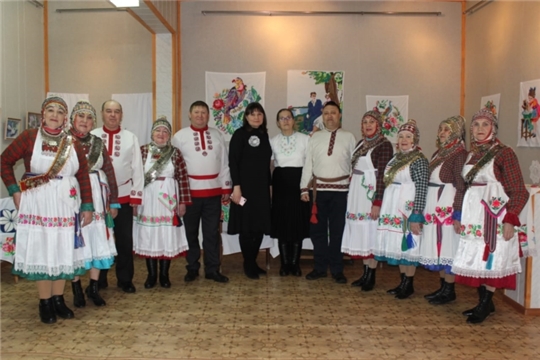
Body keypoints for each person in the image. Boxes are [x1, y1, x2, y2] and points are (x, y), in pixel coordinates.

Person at [1, 96, 94, 324]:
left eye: (60, 111)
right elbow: (4, 161)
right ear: (43, 114)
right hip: (38, 200)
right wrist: (15, 190)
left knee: (63, 249)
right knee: (43, 249)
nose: (55, 115)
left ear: (65, 117)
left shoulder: (72, 142)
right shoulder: (29, 137)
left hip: (66, 202)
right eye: (50, 110)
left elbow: (82, 174)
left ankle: (58, 299)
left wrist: (87, 205)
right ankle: (44, 302)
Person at [452, 109, 528, 324]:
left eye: (485, 124)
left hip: (494, 213)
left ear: (493, 128)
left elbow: (519, 190)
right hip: (472, 213)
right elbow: (463, 187)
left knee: (492, 256)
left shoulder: (504, 153)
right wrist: (458, 214)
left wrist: (510, 218)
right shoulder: (471, 154)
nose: (479, 129)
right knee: (477, 257)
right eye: (476, 125)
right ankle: (485, 302)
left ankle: (485, 304)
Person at [172, 101, 231, 283]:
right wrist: (178, 195)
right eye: (196, 112)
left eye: (203, 112)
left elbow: (224, 163)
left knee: (211, 233)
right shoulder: (179, 136)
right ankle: (192, 267)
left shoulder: (218, 135)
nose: (200, 115)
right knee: (190, 232)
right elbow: (175, 168)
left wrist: (226, 187)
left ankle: (213, 269)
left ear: (208, 115)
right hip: (190, 193)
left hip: (213, 192)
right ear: (190, 114)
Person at [68, 100, 119, 308]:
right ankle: (77, 289)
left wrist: (113, 202)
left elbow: (109, 171)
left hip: (98, 196)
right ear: (73, 119)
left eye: (89, 118)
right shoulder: (65, 141)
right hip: (74, 195)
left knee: (98, 239)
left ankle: (94, 287)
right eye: (81, 116)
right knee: (77, 240)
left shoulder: (98, 143)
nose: (85, 121)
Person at [300, 101, 356, 284]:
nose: (329, 116)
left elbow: (354, 165)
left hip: (341, 192)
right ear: (322, 116)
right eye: (326, 113)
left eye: (333, 113)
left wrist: (353, 190)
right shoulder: (314, 138)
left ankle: (337, 269)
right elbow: (308, 164)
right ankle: (320, 268)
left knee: (338, 231)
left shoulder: (349, 137)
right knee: (318, 232)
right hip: (318, 192)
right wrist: (303, 189)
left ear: (339, 115)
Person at [91, 100, 144, 293]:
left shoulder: (131, 138)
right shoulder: (93, 136)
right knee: (100, 238)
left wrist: (136, 197)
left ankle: (125, 279)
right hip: (98, 197)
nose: (113, 115)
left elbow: (138, 169)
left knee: (124, 240)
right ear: (102, 113)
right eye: (109, 111)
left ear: (121, 115)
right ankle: (99, 279)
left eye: (117, 112)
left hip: (123, 196)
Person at [133, 117, 191, 288]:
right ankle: (151, 275)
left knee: (166, 236)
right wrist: (135, 201)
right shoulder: (142, 151)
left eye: (165, 131)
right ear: (152, 133)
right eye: (158, 130)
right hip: (148, 198)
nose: (161, 134)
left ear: (169, 135)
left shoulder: (175, 152)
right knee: (150, 235)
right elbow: (135, 177)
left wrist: (183, 203)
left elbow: (183, 178)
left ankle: (164, 275)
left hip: (168, 199)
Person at [374, 119, 429, 299]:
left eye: (408, 136)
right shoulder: (395, 158)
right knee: (398, 245)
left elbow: (421, 187)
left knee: (408, 244)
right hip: (392, 205)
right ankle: (402, 281)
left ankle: (409, 283)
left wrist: (416, 213)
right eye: (401, 136)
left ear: (415, 140)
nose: (404, 139)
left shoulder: (419, 160)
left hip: (407, 205)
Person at [341, 110, 393, 291]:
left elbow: (383, 177)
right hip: (357, 192)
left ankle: (371, 275)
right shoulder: (361, 143)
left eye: (372, 122)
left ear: (378, 124)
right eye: (365, 122)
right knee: (361, 234)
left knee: (369, 232)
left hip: (370, 193)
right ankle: (364, 273)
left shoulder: (384, 145)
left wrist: (377, 202)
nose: (368, 125)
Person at [419, 116, 467, 305]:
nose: (442, 133)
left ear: (455, 133)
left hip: (447, 202)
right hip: (434, 203)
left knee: (447, 244)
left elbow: (461, 185)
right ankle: (442, 287)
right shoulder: (439, 153)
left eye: (446, 130)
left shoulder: (460, 154)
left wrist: (457, 212)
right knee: (437, 245)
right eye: (440, 129)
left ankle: (449, 290)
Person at [228, 102, 272, 279]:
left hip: (261, 190)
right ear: (246, 116)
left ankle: (253, 262)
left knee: (259, 227)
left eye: (259, 114)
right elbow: (233, 162)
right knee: (246, 228)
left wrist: (269, 188)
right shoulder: (239, 135)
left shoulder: (265, 135)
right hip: (243, 189)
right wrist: (236, 187)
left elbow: (266, 165)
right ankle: (248, 264)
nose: (256, 117)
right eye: (252, 114)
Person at [270, 108, 310, 276]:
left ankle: (295, 264)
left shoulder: (305, 139)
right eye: (282, 118)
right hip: (281, 184)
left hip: (299, 184)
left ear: (294, 121)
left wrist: (305, 188)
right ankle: (284, 264)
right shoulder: (272, 141)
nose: (285, 120)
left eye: (288, 117)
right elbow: (272, 166)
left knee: (297, 223)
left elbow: (309, 165)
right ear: (278, 123)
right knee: (283, 223)